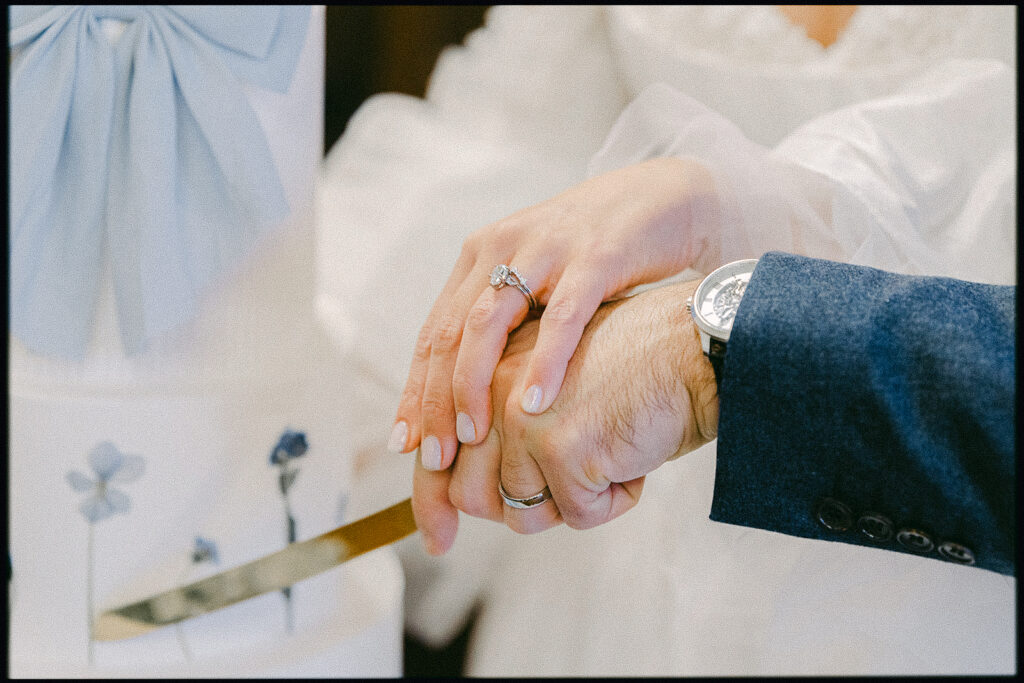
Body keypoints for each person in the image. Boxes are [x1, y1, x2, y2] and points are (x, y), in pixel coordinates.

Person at [317, 5, 1015, 675]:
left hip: (950, 507)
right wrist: (416, 384)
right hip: (633, 477)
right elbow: (513, 128)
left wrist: (733, 211)